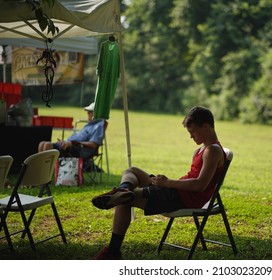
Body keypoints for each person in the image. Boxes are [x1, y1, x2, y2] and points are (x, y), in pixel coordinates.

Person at [92, 106, 226, 260]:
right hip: (176, 192)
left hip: (182, 198)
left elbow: (199, 185)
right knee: (132, 171)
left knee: (127, 199)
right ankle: (122, 190)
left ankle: (113, 252)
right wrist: (165, 183)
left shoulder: (212, 151)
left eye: (193, 132)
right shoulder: (203, 149)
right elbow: (193, 179)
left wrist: (168, 183)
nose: (191, 137)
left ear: (206, 127)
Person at [38, 102, 105, 159]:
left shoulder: (98, 126)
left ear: (97, 113)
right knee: (42, 144)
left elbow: (93, 144)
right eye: (88, 112)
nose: (88, 114)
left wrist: (74, 143)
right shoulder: (89, 125)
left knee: (47, 145)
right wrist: (67, 142)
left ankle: (47, 172)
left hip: (79, 150)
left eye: (90, 112)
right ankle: (42, 170)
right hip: (71, 145)